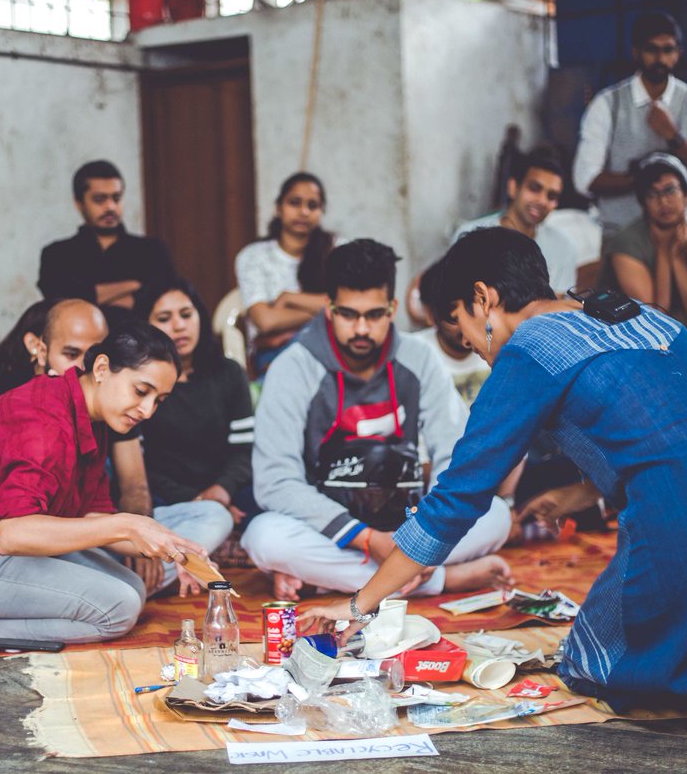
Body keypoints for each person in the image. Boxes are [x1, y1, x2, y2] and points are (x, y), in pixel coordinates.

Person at [302, 227, 687, 744]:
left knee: (594, 664)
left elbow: (456, 499)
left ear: (483, 297)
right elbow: (674, 426)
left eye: (465, 333)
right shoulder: (633, 312)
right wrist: (582, 493)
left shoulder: (528, 349)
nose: (476, 349)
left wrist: (359, 604)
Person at [0, 325, 209, 643]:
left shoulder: (91, 417)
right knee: (118, 609)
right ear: (103, 368)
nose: (148, 411)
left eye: (159, 400)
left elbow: (92, 517)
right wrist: (127, 524)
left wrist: (169, 546)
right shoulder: (45, 420)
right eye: (141, 391)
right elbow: (11, 534)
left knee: (133, 588)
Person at [242, 239, 513, 601]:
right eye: (348, 314)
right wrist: (368, 539)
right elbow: (276, 481)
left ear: (392, 308)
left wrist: (422, 538)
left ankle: (331, 581)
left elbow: (456, 454)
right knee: (263, 538)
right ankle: (436, 581)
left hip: (410, 521)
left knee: (496, 516)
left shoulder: (419, 359)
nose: (361, 329)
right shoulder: (293, 367)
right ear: (328, 308)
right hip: (335, 529)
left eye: (373, 315)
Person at [572, 11, 687, 232]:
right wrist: (644, 179)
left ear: (678, 53)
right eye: (651, 49)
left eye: (668, 49)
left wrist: (674, 137)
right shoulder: (607, 103)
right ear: (636, 52)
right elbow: (585, 180)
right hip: (621, 230)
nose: (660, 58)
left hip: (680, 232)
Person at [0, 298, 109, 470]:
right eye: (71, 354)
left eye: (92, 355)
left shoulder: (95, 399)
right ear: (38, 347)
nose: (83, 367)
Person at [135, 278, 258, 530]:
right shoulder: (139, 384)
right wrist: (198, 501)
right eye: (164, 318)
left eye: (186, 314)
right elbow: (142, 467)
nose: (179, 326)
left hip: (229, 488)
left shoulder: (229, 372)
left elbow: (244, 449)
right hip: (167, 496)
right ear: (146, 326)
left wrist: (222, 490)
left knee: (270, 503)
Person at [37, 160, 176, 319]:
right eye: (99, 199)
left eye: (116, 198)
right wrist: (133, 285)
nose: (110, 207)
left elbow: (165, 300)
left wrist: (91, 296)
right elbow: (61, 306)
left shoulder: (151, 250)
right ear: (79, 203)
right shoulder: (57, 254)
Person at [235, 172, 341, 377]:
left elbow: (351, 304)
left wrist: (290, 299)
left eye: (312, 205)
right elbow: (266, 321)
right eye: (295, 202)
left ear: (321, 211)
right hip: (274, 353)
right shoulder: (254, 256)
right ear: (278, 208)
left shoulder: (335, 250)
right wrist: (326, 310)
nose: (303, 211)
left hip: (329, 348)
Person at [598, 153, 687, 326]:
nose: (663, 201)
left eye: (670, 190)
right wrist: (664, 252)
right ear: (643, 204)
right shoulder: (627, 241)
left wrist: (678, 262)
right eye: (652, 194)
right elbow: (653, 320)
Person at [452, 148, 578, 294]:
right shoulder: (469, 236)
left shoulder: (563, 249)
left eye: (552, 196)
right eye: (534, 188)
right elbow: (454, 297)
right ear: (513, 187)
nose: (542, 201)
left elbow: (557, 309)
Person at [412, 262, 490, 407]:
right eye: (453, 317)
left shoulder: (497, 344)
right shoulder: (413, 356)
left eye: (469, 310)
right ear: (430, 314)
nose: (465, 325)